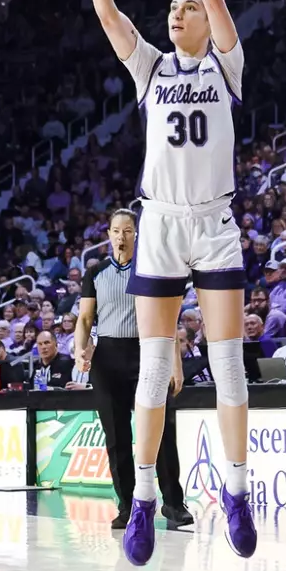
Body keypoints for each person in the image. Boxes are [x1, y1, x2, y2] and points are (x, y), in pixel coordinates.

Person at [71, 0, 249, 570]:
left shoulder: (227, 64)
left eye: (189, 7)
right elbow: (107, 10)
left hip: (215, 223)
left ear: (207, 19)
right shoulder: (150, 67)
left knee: (228, 364)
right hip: (162, 226)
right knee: (154, 369)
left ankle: (236, 489)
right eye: (174, 7)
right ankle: (143, 495)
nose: (179, 13)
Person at [74, 210, 191, 531]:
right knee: (117, 437)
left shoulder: (151, 270)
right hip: (108, 358)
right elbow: (84, 320)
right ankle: (126, 505)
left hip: (148, 353)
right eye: (116, 230)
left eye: (127, 230)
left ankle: (173, 503)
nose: (121, 236)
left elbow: (169, 321)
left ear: (136, 234)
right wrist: (78, 352)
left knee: (162, 432)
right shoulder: (95, 273)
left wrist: (176, 364)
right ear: (109, 235)